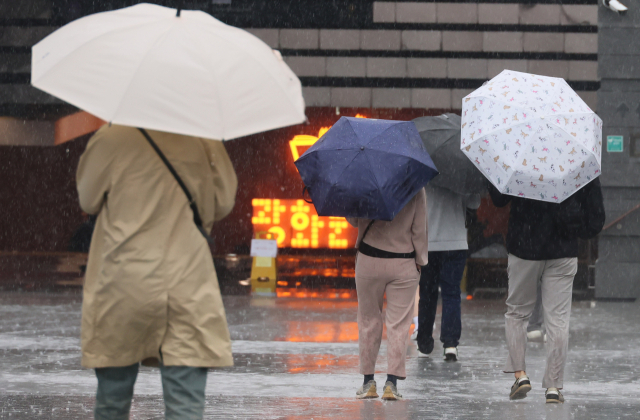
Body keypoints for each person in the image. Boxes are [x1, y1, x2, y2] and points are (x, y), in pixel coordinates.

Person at [76, 125, 238, 420]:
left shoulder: (111, 137)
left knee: (112, 398)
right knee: (185, 403)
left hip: (123, 277)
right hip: (186, 277)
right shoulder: (203, 137)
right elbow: (223, 202)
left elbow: (88, 199)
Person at [488, 178, 604, 404]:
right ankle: (553, 386)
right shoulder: (577, 162)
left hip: (524, 246)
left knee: (517, 313)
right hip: (563, 249)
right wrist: (572, 228)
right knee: (558, 321)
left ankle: (520, 375)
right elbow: (596, 219)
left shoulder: (521, 158)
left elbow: (498, 199)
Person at [347, 188, 428, 401]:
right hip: (403, 260)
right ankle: (391, 382)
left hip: (369, 259)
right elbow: (419, 228)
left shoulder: (365, 181)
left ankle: (368, 383)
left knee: (368, 320)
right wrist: (420, 260)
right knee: (399, 324)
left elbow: (354, 221)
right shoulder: (415, 185)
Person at [416, 185, 481, 361]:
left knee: (427, 294)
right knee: (452, 293)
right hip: (456, 241)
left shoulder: (426, 172)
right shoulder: (461, 174)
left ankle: (424, 341)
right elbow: (474, 203)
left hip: (429, 242)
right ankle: (450, 344)